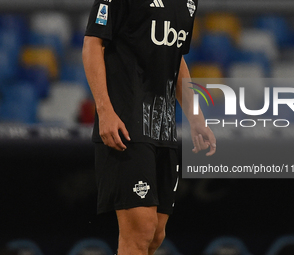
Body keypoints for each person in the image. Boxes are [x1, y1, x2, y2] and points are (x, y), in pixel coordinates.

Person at [82, 0, 216, 254]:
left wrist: (196, 117)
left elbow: (176, 60)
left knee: (155, 233)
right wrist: (105, 111)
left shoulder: (188, 2)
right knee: (140, 229)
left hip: (163, 129)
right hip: (127, 124)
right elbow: (92, 44)